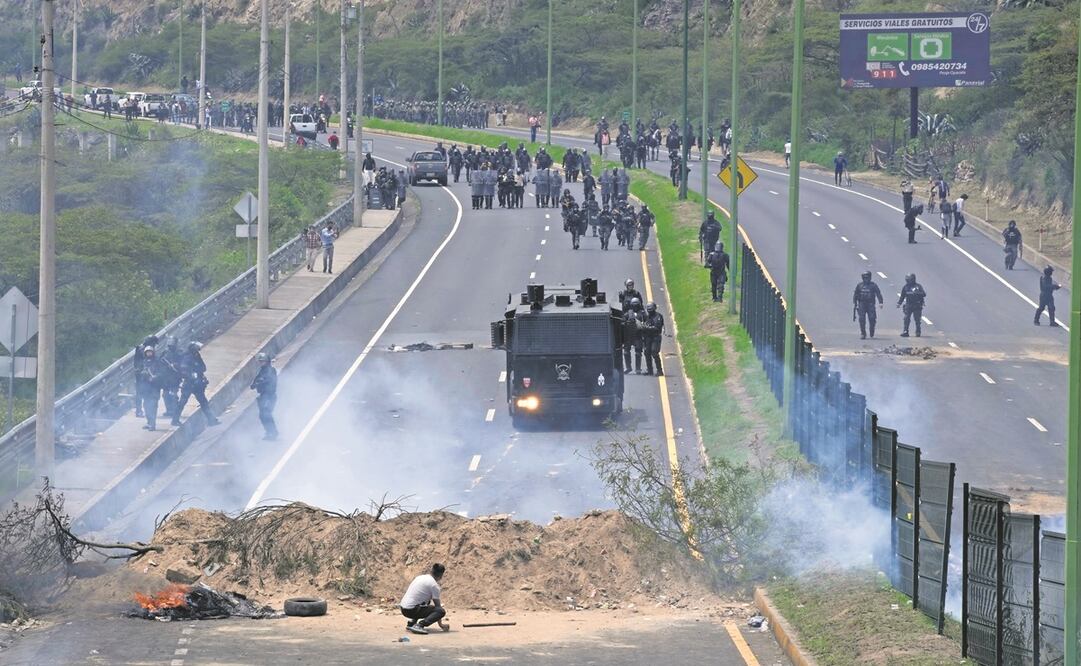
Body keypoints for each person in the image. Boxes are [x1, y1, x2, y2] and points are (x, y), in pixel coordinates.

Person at [172, 342, 220, 427]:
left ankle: (211, 419)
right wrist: (192, 375)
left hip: (197, 385)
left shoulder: (197, 356)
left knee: (204, 402)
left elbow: (203, 368)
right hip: (188, 384)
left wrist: (197, 373)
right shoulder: (187, 358)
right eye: (196, 348)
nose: (198, 349)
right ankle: (175, 420)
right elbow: (184, 371)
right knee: (182, 402)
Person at [400, 563, 447, 635]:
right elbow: (438, 608)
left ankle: (412, 623)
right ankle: (419, 625)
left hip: (403, 608)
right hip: (412, 610)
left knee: (426, 601)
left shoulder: (420, 577)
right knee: (441, 611)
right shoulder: (434, 585)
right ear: (441, 575)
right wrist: (441, 625)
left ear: (431, 571)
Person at [136, 347, 167, 431]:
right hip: (146, 388)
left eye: (150, 352)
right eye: (147, 352)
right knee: (146, 406)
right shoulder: (144, 362)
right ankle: (149, 422)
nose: (149, 354)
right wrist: (142, 374)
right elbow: (139, 372)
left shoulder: (157, 362)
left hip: (155, 388)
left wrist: (154, 377)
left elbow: (162, 373)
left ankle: (153, 424)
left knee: (153, 406)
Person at [250, 352, 279, 440]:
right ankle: (269, 431)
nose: (261, 363)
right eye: (260, 361)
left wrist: (261, 382)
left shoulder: (271, 370)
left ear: (267, 361)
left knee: (266, 414)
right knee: (262, 415)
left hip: (270, 396)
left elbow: (270, 380)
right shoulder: (262, 370)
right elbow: (255, 381)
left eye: (263, 361)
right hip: (263, 396)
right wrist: (254, 384)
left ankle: (273, 432)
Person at [133, 334, 159, 418]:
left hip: (142, 373)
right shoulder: (143, 350)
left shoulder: (141, 348)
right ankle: (139, 410)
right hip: (142, 374)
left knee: (141, 393)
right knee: (141, 393)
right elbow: (145, 362)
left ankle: (140, 410)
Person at [852, 271, 884, 340]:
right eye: (865, 278)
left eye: (867, 277)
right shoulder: (860, 285)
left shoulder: (873, 285)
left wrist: (881, 302)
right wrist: (855, 304)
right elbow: (856, 294)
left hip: (871, 304)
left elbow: (878, 293)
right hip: (862, 304)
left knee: (872, 318)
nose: (866, 279)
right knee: (862, 319)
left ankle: (872, 329)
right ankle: (863, 333)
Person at [897, 274, 927, 338]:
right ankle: (905, 331)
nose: (908, 281)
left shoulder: (918, 286)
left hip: (917, 305)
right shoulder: (905, 287)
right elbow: (902, 296)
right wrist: (899, 303)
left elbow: (924, 294)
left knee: (917, 319)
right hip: (909, 305)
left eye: (909, 280)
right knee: (906, 318)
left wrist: (917, 293)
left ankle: (918, 331)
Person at [639, 302, 665, 376]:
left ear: (654, 309)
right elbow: (644, 324)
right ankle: (649, 370)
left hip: (655, 337)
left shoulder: (658, 316)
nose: (649, 310)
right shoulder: (647, 317)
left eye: (651, 309)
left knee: (654, 352)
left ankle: (660, 371)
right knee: (647, 353)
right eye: (648, 309)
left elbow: (657, 328)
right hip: (648, 337)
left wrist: (647, 328)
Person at [622, 298, 644, 374]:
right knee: (626, 352)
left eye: (637, 305)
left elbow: (646, 323)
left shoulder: (642, 314)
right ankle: (628, 367)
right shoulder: (628, 313)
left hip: (638, 335)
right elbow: (622, 321)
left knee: (638, 352)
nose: (635, 307)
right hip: (628, 336)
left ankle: (638, 369)